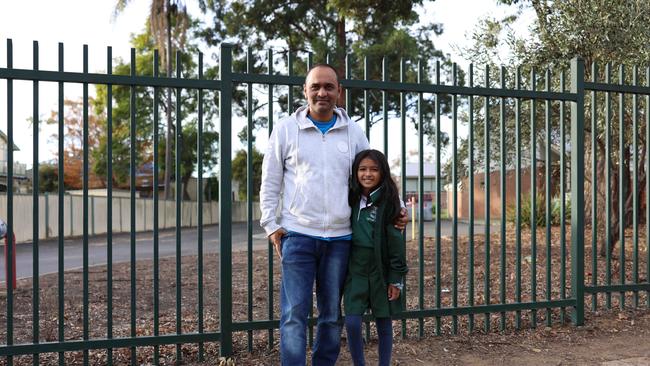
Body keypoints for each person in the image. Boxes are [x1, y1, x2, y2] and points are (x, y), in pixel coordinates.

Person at [259, 64, 406, 365]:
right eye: (316, 86)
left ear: (339, 92)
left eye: (329, 87)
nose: (322, 92)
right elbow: (270, 181)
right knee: (293, 314)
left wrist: (398, 207)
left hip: (340, 239)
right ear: (305, 91)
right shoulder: (286, 129)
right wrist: (271, 226)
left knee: (330, 315)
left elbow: (375, 169)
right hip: (298, 235)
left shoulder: (352, 132)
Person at [344, 149, 408, 366]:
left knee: (384, 322)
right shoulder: (350, 198)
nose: (368, 174)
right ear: (355, 172)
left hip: (380, 270)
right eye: (362, 169)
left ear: (383, 172)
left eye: (374, 169)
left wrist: (396, 278)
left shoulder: (389, 203)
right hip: (356, 270)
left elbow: (396, 244)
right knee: (352, 321)